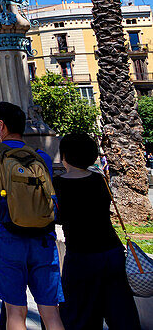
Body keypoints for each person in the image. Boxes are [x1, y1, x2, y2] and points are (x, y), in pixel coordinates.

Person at [0, 102, 62, 330]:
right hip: (43, 237)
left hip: (7, 235)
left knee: (15, 312)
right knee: (51, 313)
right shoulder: (42, 156)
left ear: (1, 125)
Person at [53, 131, 139, 328]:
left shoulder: (57, 184)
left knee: (79, 315)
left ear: (65, 155)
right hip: (112, 252)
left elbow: (58, 217)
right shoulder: (99, 180)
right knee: (120, 313)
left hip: (80, 255)